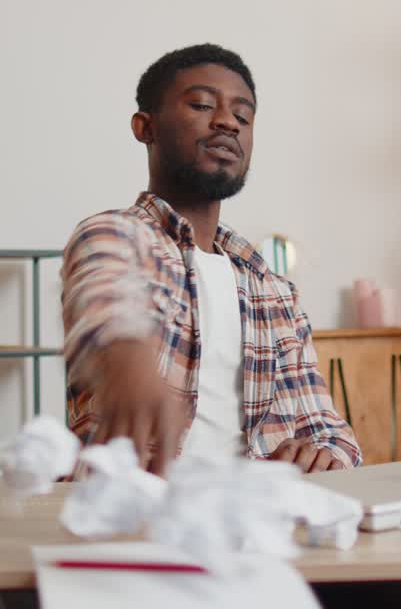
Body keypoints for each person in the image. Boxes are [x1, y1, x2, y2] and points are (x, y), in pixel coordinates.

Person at [60, 43, 360, 473]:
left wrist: (325, 453)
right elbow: (104, 304)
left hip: (257, 516)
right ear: (146, 127)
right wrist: (127, 359)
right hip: (136, 512)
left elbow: (331, 432)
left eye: (243, 116)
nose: (227, 122)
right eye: (202, 105)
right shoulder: (116, 235)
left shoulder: (272, 290)